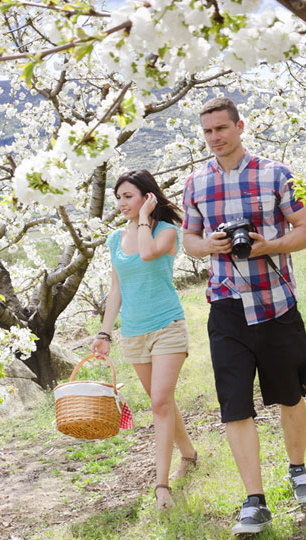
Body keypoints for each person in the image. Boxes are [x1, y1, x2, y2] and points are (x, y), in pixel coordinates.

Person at [182, 96, 306, 535]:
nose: (215, 138)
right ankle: (254, 500)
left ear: (240, 126)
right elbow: (189, 238)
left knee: (290, 396)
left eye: (221, 128)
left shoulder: (278, 174)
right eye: (207, 131)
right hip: (225, 307)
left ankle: (297, 467)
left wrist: (267, 245)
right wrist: (209, 246)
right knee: (234, 406)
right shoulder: (194, 183)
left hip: (275, 303)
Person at [92, 169, 197, 510]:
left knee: (159, 403)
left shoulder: (166, 231)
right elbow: (116, 290)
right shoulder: (113, 240)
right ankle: (190, 454)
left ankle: (162, 485)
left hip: (167, 325)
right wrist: (104, 332)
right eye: (118, 197)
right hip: (134, 334)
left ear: (147, 197)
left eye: (129, 196)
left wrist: (146, 219)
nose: (122, 203)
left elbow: (149, 254)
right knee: (161, 400)